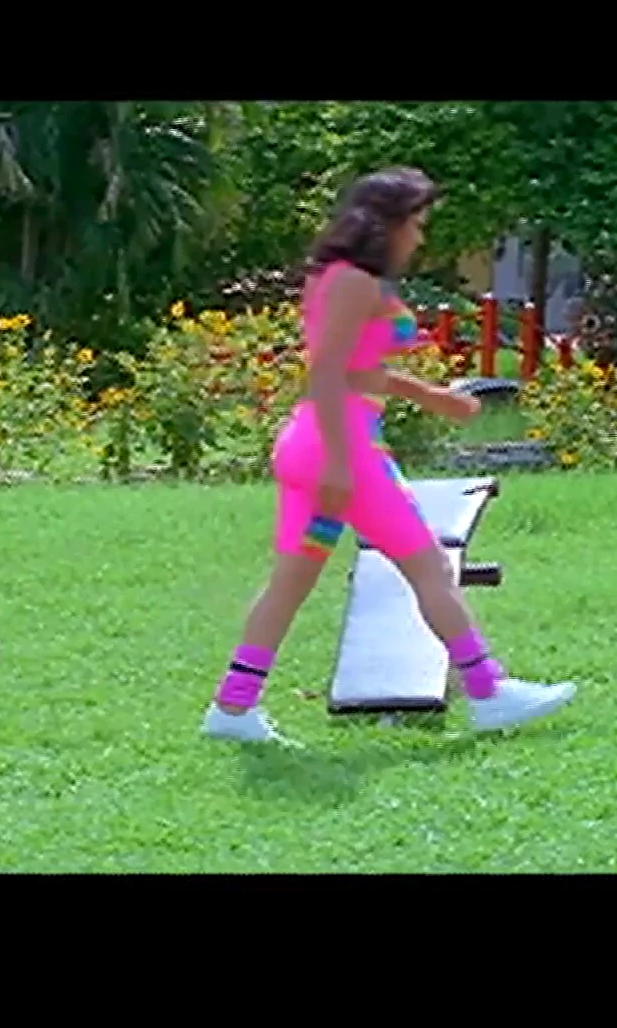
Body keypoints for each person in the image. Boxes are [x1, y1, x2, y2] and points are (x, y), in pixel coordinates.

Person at [203, 166, 578, 744]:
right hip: (346, 453)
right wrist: (338, 462)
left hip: (313, 446)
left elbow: (354, 368)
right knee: (430, 567)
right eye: (417, 224)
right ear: (389, 224)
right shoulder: (355, 284)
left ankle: (232, 708)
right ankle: (488, 692)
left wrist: (428, 396)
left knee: (290, 583)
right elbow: (326, 372)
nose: (420, 238)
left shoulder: (334, 278)